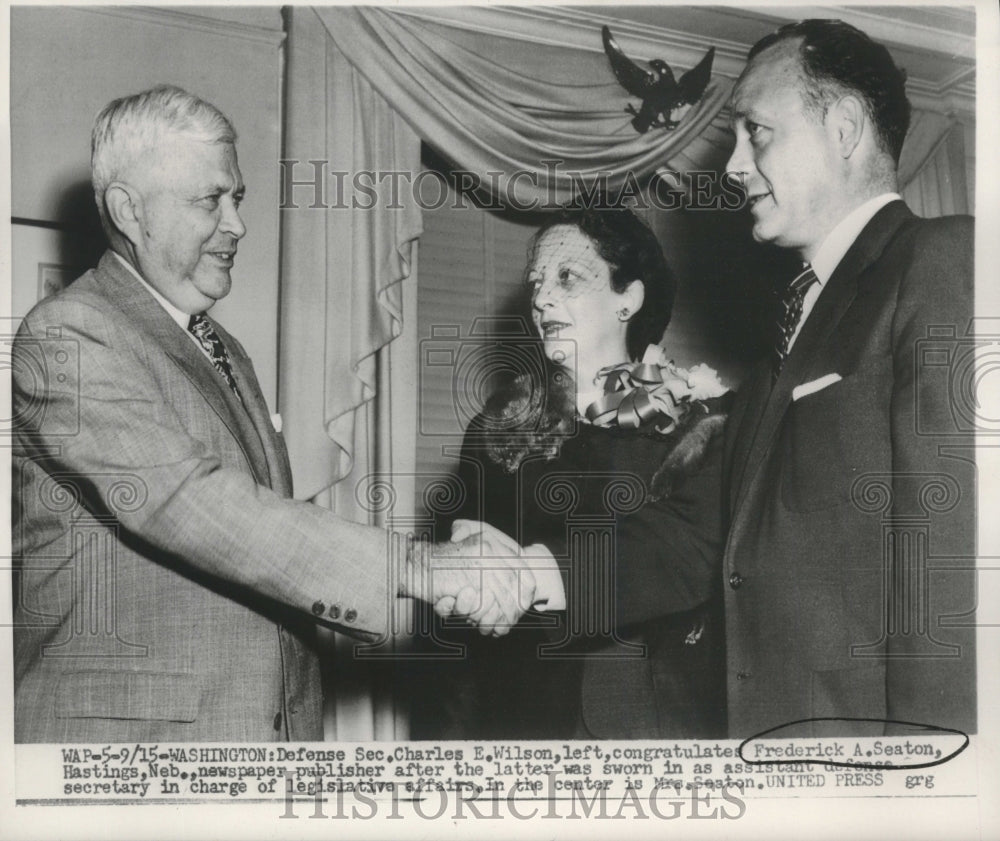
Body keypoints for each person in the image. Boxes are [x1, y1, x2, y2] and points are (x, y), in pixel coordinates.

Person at [11, 85, 538, 743]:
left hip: (251, 741)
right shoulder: (69, 334)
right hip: (133, 756)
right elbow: (189, 502)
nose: (237, 224)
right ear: (129, 210)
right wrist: (422, 568)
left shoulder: (221, 348)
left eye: (237, 199)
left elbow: (261, 541)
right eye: (212, 200)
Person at [722, 20, 976, 737]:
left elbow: (951, 558)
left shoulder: (941, 261)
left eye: (756, 132)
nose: (732, 167)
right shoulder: (788, 325)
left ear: (843, 128)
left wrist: (934, 780)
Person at [414, 206, 731, 739]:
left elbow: (690, 568)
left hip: (654, 744)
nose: (541, 299)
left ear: (628, 297)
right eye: (537, 282)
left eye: (568, 278)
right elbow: (458, 634)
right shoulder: (497, 429)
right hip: (515, 731)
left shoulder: (696, 429)